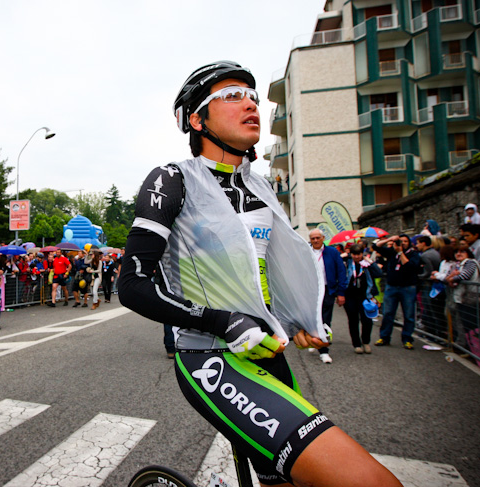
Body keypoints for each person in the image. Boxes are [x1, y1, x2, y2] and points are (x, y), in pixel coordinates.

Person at [119, 61, 401, 487]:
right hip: (210, 358)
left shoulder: (261, 187)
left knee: (283, 481)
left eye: (251, 96)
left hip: (268, 352)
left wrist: (300, 318)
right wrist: (221, 321)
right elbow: (132, 285)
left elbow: (269, 269)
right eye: (231, 96)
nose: (249, 103)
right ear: (196, 120)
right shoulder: (172, 179)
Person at [373, 234, 421, 349]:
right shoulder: (391, 252)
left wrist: (400, 253)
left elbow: (410, 266)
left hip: (408, 287)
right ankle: (384, 337)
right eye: (400, 241)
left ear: (409, 243)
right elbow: (376, 246)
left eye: (405, 241)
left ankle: (407, 339)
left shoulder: (413, 254)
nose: (402, 243)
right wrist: (390, 240)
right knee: (388, 313)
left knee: (408, 315)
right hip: (392, 287)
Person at [308, 229, 347, 364]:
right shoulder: (306, 251)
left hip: (327, 290)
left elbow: (341, 272)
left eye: (318, 238)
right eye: (313, 238)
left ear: (323, 238)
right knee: (312, 319)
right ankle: (314, 342)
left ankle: (324, 351)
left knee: (325, 320)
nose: (315, 241)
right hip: (311, 290)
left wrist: (341, 292)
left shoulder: (332, 252)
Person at [343, 244, 380, 353]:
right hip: (350, 295)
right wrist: (344, 255)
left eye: (359, 254)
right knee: (353, 320)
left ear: (362, 254)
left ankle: (366, 342)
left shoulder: (366, 264)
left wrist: (370, 262)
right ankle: (356, 344)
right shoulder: (347, 263)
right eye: (354, 254)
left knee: (367, 320)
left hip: (365, 295)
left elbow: (379, 273)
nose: (357, 257)